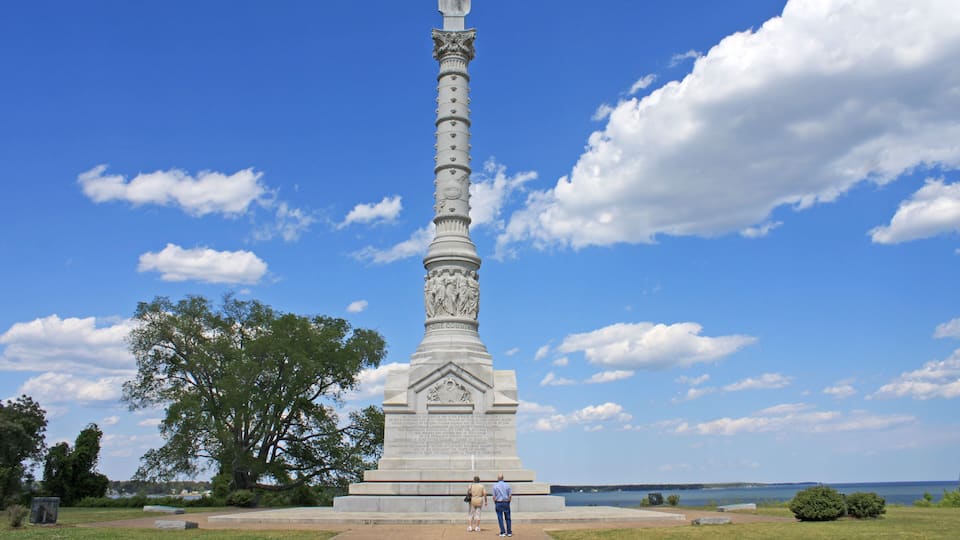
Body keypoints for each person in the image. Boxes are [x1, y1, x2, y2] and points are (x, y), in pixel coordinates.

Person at [492, 472, 512, 537]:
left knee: (500, 518)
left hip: (498, 502)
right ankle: (509, 532)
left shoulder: (495, 486)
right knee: (508, 518)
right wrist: (508, 502)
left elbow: (494, 496)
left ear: (498, 478)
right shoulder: (507, 485)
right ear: (503, 478)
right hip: (506, 502)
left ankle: (502, 532)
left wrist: (495, 502)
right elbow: (510, 495)